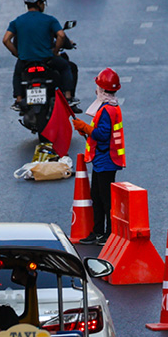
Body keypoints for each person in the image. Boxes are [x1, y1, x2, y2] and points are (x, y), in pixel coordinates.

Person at [3, 0, 79, 112]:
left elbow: (6, 40)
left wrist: (18, 54)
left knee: (17, 73)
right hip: (47, 60)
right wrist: (55, 51)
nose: (44, 5)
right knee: (67, 67)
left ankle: (18, 99)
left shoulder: (17, 21)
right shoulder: (49, 20)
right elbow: (61, 35)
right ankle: (68, 97)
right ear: (39, 3)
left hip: (25, 61)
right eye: (43, 2)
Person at [72, 68, 125, 246]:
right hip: (103, 159)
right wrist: (86, 130)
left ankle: (108, 233)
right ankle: (98, 232)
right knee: (97, 195)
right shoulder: (110, 107)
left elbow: (102, 134)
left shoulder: (107, 110)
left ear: (102, 90)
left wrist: (85, 128)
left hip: (106, 160)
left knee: (105, 199)